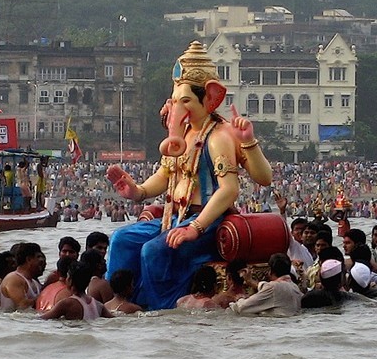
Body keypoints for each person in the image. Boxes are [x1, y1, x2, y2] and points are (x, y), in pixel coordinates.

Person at [106, 41, 271, 310]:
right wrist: (138, 191)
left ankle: (159, 308)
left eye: (186, 101)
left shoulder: (218, 137)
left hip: (208, 220)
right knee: (121, 239)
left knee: (154, 250)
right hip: (175, 217)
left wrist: (195, 228)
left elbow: (230, 189)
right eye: (174, 101)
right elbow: (165, 174)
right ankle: (121, 300)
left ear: (210, 98)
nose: (177, 108)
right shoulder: (182, 134)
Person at [232, 253, 303, 317]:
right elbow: (269, 287)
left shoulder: (273, 288)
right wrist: (250, 281)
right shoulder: (294, 287)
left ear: (270, 271)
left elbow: (242, 308)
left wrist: (239, 300)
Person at [41, 262, 113, 321]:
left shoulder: (66, 303)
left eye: (67, 276)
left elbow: (42, 319)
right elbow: (113, 319)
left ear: (70, 280)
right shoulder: (99, 305)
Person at [0, 242, 45, 312]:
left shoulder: (34, 282)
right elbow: (22, 305)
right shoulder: (13, 279)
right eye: (38, 257)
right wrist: (44, 297)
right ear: (29, 259)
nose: (42, 260)